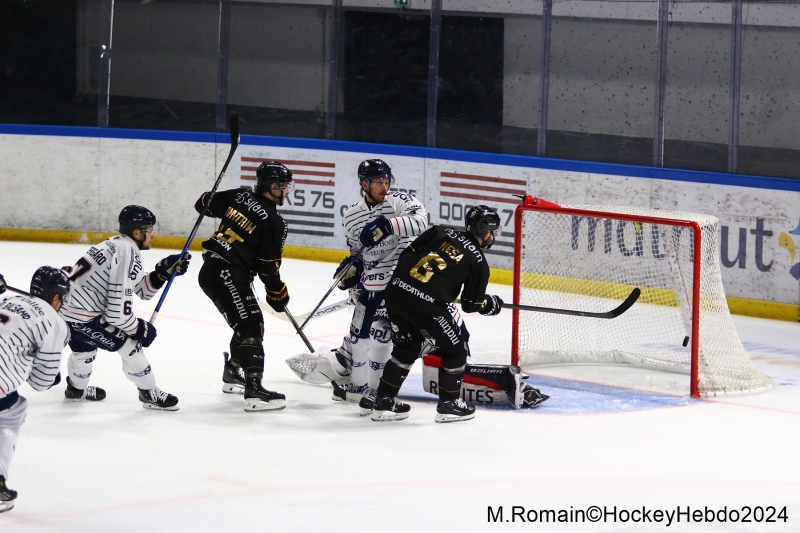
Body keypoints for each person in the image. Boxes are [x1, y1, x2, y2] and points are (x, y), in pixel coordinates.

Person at [295, 159, 428, 414]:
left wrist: (387, 225)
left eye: (387, 180)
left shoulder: (399, 200)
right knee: (360, 337)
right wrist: (352, 268)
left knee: (393, 339)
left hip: (402, 282)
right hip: (373, 283)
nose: (385, 186)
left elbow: (421, 222)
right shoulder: (351, 214)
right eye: (378, 182)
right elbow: (358, 251)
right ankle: (358, 389)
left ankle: (385, 388)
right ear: (363, 184)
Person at [371, 205, 505, 423]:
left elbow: (407, 255)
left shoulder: (440, 231)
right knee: (456, 349)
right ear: (486, 232)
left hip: (396, 294)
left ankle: (384, 401)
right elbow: (471, 305)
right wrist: (488, 304)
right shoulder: (478, 262)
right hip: (427, 306)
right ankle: (449, 404)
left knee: (406, 348)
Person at [59, 206, 188, 410]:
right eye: (149, 230)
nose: (153, 235)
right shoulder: (126, 251)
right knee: (130, 345)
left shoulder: (116, 245)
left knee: (84, 349)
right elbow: (117, 313)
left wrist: (162, 273)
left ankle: (76, 390)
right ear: (137, 232)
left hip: (66, 310)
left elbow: (143, 290)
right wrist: (138, 329)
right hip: (83, 314)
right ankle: (149, 393)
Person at [196, 161, 292, 412]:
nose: (288, 190)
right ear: (272, 187)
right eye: (284, 186)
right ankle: (254, 389)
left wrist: (209, 197)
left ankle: (233, 372)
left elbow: (202, 204)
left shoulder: (240, 195)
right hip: (228, 273)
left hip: (212, 270)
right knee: (250, 325)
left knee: (247, 321)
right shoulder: (274, 221)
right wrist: (276, 291)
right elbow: (268, 268)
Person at [0, 268, 71, 513]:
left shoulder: (7, 299)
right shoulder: (54, 320)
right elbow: (41, 383)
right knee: (12, 412)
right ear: (55, 298)